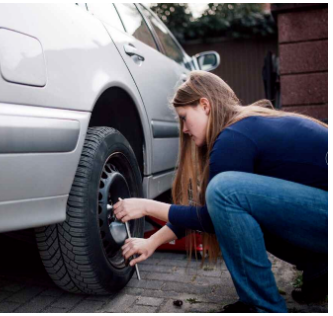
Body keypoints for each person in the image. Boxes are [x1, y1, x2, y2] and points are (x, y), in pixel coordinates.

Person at [113, 70, 327, 313]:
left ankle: (262, 306)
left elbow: (210, 217)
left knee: (224, 191)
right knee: (231, 201)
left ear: (204, 105)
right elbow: (211, 213)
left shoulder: (234, 136)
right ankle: (320, 268)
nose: (183, 129)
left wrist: (146, 206)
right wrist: (152, 241)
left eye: (184, 117)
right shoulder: (247, 128)